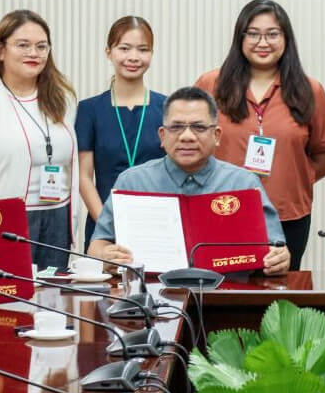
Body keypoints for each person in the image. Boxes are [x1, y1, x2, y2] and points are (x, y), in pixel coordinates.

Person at [195, 0, 325, 270]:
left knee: (280, 296)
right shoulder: (210, 84)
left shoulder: (310, 90)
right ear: (240, 37)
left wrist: (293, 178)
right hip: (222, 210)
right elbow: (195, 147)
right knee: (220, 293)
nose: (263, 42)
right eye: (253, 34)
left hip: (288, 216)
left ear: (286, 38)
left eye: (272, 34)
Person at [88, 87, 290, 275]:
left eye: (198, 127)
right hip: (151, 301)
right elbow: (96, 248)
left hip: (228, 299)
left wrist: (280, 259)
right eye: (176, 127)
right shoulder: (132, 181)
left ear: (216, 135)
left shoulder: (243, 183)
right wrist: (106, 257)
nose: (187, 137)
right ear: (162, 135)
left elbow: (277, 250)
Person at [0, 10, 79, 270]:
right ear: (1, 50)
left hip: (58, 217)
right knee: (10, 303)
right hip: (8, 219)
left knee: (53, 302)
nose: (33, 53)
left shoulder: (60, 99)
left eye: (41, 46)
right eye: (23, 45)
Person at [76, 16, 166, 243]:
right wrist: (108, 225)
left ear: (152, 54)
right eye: (124, 48)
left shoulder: (167, 108)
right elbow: (84, 177)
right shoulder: (89, 110)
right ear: (109, 52)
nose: (133, 57)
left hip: (157, 224)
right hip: (103, 226)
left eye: (143, 49)